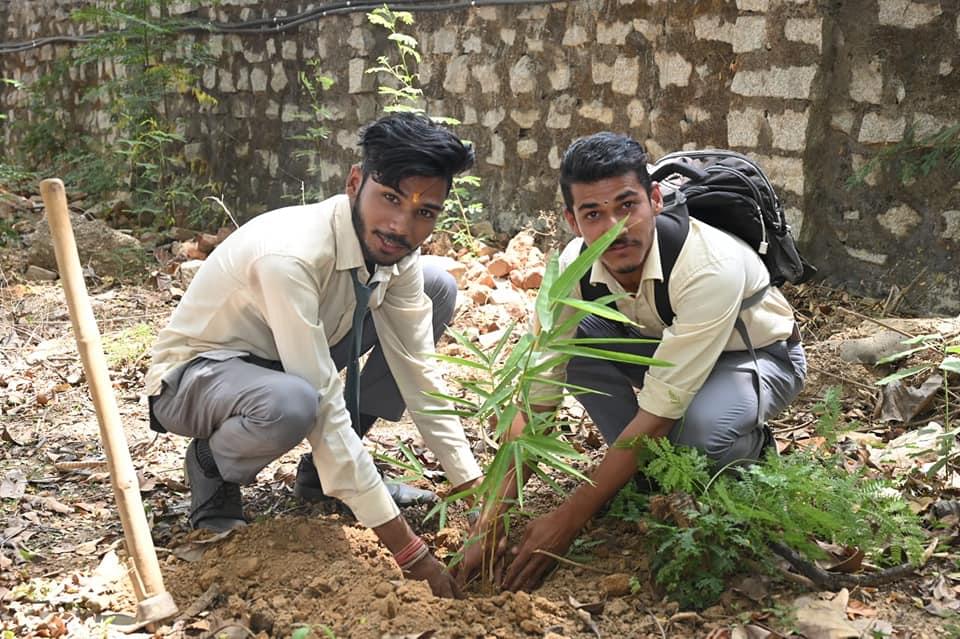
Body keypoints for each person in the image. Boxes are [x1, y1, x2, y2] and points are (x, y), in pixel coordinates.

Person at [144, 112, 482, 597]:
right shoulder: (292, 257)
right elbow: (322, 403)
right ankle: (212, 466)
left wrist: (479, 497)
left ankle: (323, 479)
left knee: (437, 287)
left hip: (292, 360)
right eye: (389, 198)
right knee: (295, 404)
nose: (401, 226)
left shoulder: (397, 253)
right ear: (354, 182)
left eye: (424, 212)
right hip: (201, 376)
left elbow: (420, 375)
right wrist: (412, 555)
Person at [456, 132, 807, 591]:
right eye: (593, 214)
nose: (615, 228)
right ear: (571, 220)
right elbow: (537, 394)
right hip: (664, 344)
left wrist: (572, 516)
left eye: (627, 206)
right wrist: (490, 517)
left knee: (695, 436)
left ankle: (748, 454)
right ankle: (638, 472)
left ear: (655, 200)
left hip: (755, 356)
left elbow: (661, 409)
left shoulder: (707, 266)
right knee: (579, 340)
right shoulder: (572, 268)